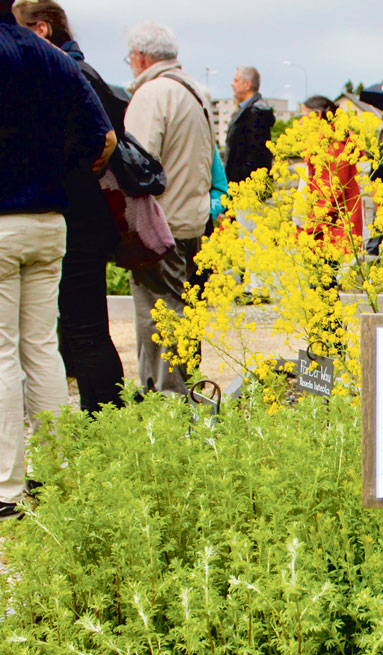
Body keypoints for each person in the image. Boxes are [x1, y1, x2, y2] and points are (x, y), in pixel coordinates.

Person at [1, 0, 115, 518]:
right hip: (50, 219)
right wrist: (63, 170)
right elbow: (104, 138)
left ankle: (6, 487)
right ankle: (56, 470)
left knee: (3, 355)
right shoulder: (52, 58)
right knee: (43, 348)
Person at [12, 0, 127, 415]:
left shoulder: (56, 68)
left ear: (40, 29)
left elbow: (107, 138)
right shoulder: (77, 69)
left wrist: (67, 173)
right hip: (73, 216)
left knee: (78, 330)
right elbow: (107, 137)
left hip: (66, 214)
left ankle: (103, 422)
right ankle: (90, 432)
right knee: (62, 336)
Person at [124, 20, 214, 393]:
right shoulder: (195, 92)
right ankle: (184, 396)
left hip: (160, 228)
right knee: (181, 316)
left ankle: (168, 405)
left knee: (159, 320)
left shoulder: (152, 94)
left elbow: (136, 166)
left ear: (141, 57)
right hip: (192, 222)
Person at [299, 95, 363, 254]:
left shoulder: (333, 146)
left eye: (303, 116)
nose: (300, 122)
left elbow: (328, 195)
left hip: (332, 234)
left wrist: (309, 231)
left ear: (317, 116)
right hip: (330, 232)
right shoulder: (328, 143)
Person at [224, 66, 275, 185]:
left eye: (236, 80)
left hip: (245, 187)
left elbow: (256, 154)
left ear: (247, 85)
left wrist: (239, 179)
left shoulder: (255, 112)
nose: (232, 84)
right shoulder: (249, 110)